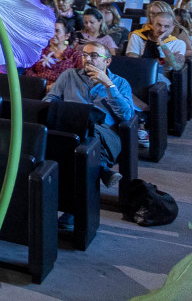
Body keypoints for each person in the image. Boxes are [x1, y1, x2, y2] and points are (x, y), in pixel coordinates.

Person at [44, 42, 135, 187]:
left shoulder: (120, 83)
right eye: (84, 55)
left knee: (91, 130)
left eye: (94, 55)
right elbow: (50, 99)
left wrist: (108, 86)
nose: (87, 59)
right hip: (71, 129)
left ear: (107, 61)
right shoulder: (69, 75)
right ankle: (102, 168)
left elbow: (128, 115)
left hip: (105, 133)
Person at [26, 19, 84, 87]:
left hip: (63, 91)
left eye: (57, 31)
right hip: (38, 88)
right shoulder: (39, 52)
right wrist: (41, 84)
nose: (53, 34)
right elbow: (28, 70)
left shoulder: (75, 55)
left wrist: (57, 86)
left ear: (67, 36)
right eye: (51, 31)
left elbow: (80, 77)